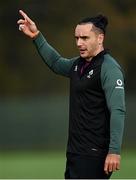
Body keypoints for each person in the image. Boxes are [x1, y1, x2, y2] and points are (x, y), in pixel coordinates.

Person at [17, 10, 126, 179]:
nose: (79, 43)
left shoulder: (109, 68)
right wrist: (36, 36)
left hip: (95, 154)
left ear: (100, 38)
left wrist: (114, 151)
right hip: (75, 152)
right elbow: (56, 62)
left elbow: (118, 110)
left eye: (85, 38)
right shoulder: (78, 65)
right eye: (77, 38)